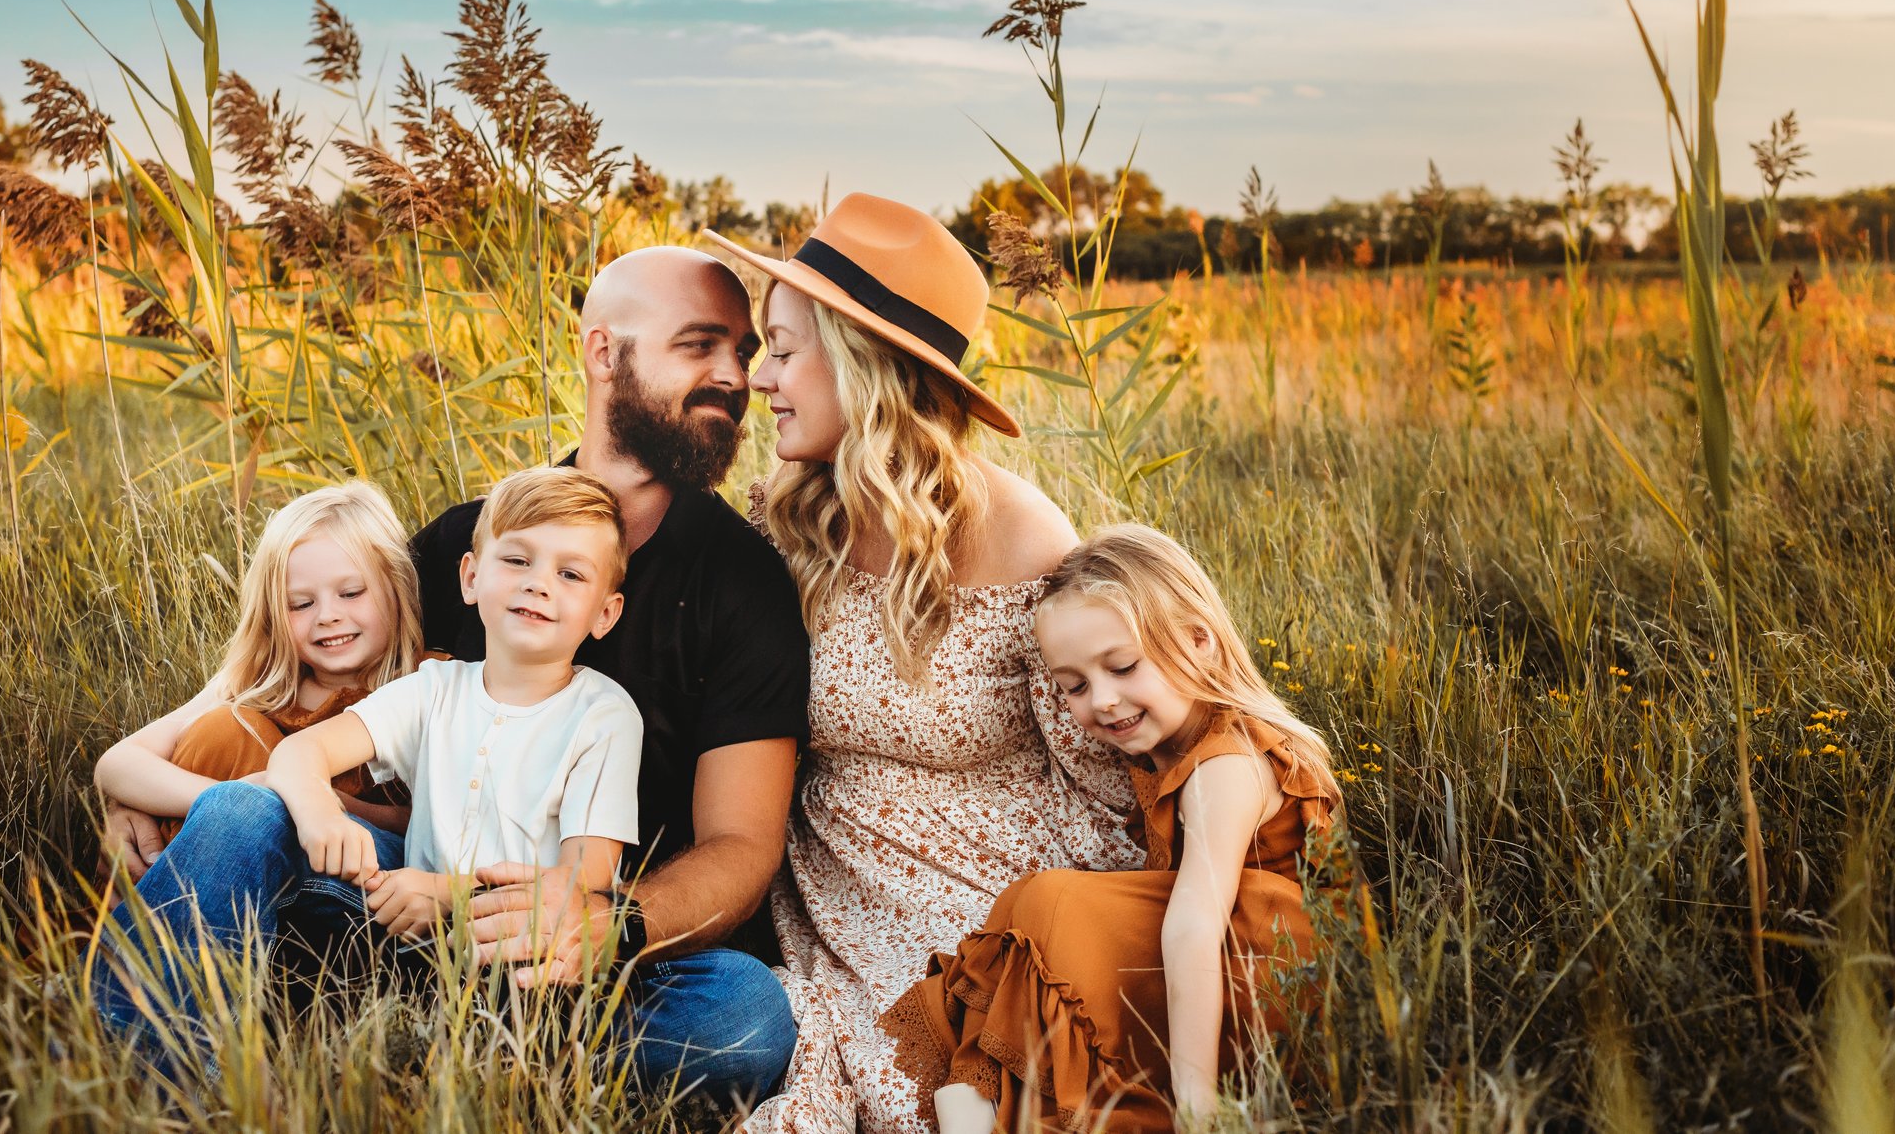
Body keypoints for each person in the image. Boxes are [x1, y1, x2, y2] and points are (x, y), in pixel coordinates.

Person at [95, 245, 807, 1107]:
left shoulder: (742, 582)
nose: (736, 375)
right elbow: (266, 679)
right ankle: (138, 1068)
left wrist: (606, 925)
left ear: (606, 606)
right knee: (240, 812)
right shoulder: (470, 541)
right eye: (701, 345)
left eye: (743, 349)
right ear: (602, 352)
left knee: (745, 1012)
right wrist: (150, 774)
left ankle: (391, 1036)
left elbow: (742, 846)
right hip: (398, 900)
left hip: (582, 948)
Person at [704, 193, 1143, 1134]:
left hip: (1001, 908)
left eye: (783, 349)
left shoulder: (1022, 536)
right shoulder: (783, 523)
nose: (763, 379)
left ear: (864, 364)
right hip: (839, 908)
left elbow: (1106, 777)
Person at [887, 526, 1345, 1134]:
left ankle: (995, 1101)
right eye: (1074, 686)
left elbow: (1193, 925)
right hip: (1233, 966)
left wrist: (1196, 1104)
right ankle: (982, 1093)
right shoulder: (1177, 748)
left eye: (1123, 667)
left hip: (1274, 982)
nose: (1102, 700)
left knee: (1051, 902)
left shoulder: (1228, 765)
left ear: (1199, 640)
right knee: (1030, 901)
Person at [268, 467, 644, 944]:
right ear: (470, 578)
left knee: (736, 985)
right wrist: (320, 812)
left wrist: (450, 894)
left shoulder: (602, 715)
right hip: (402, 926)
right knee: (243, 807)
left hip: (525, 956)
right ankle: (169, 1001)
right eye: (516, 560)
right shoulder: (436, 689)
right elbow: (301, 752)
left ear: (605, 614)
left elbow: (583, 882)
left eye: (569, 574)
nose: (538, 584)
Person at [92, 480, 422, 850]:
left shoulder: (426, 683)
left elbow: (430, 818)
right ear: (272, 613)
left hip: (356, 870)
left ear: (397, 586)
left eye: (351, 594)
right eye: (300, 604)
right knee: (226, 729)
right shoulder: (261, 681)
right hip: (234, 855)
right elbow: (116, 764)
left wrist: (317, 796)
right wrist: (243, 798)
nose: (328, 616)